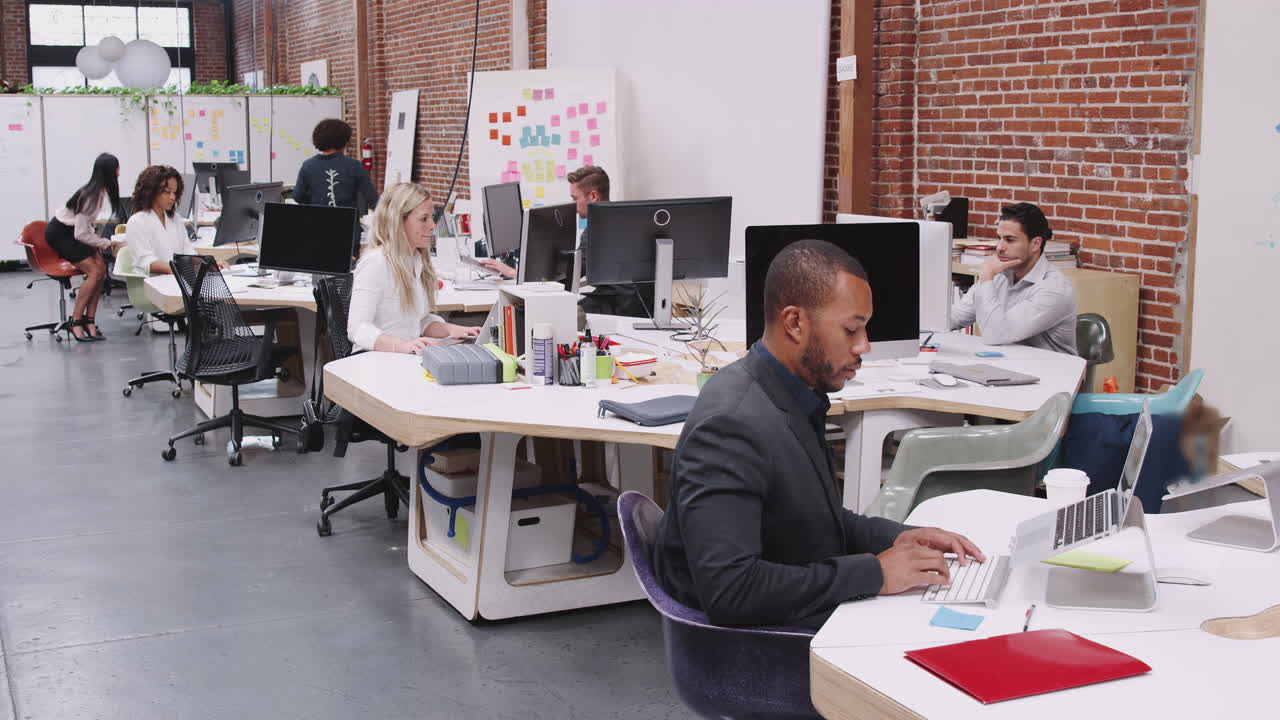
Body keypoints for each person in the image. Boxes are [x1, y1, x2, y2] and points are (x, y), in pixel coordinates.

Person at [653, 239, 984, 630]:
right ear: (795, 322)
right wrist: (875, 574)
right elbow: (732, 591)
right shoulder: (732, 426)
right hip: (757, 646)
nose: (864, 346)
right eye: (851, 329)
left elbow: (811, 519)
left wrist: (903, 539)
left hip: (792, 605)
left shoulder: (794, 393)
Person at [477, 166, 655, 317]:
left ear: (593, 196)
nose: (574, 206)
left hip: (622, 307)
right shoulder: (623, 217)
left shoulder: (596, 230)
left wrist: (518, 273)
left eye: (575, 198)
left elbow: (570, 276)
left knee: (553, 314)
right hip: (640, 304)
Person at [349, 183, 482, 354]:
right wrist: (403, 346)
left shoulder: (416, 260)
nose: (433, 225)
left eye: (431, 217)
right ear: (398, 221)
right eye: (423, 218)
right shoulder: (376, 263)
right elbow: (357, 328)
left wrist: (450, 329)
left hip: (403, 357)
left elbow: (418, 321)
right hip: (375, 359)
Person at [950, 202, 1077, 354]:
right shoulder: (1000, 274)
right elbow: (957, 316)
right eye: (999, 238)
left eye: (1010, 240)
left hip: (1048, 373)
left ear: (1035, 244)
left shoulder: (1054, 289)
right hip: (1007, 365)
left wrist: (986, 276)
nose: (999, 247)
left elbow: (994, 335)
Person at [45, 152, 127, 341]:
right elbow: (80, 234)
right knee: (94, 272)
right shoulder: (91, 196)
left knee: (101, 269)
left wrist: (98, 242)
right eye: (117, 168)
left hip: (73, 232)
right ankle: (76, 322)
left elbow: (85, 227)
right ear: (110, 172)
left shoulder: (97, 192)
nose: (119, 172)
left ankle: (89, 321)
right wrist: (106, 243)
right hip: (60, 233)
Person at [126, 166, 201, 277]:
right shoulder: (137, 221)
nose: (172, 197)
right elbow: (145, 260)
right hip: (153, 284)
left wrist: (207, 264)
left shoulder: (176, 219)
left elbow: (187, 251)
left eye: (175, 193)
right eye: (167, 192)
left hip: (178, 279)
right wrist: (176, 268)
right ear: (151, 191)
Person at [293, 118, 379, 210]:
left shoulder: (308, 166)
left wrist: (314, 203)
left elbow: (298, 196)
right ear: (344, 141)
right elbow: (373, 199)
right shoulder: (354, 166)